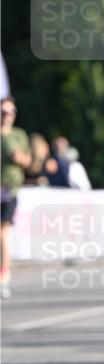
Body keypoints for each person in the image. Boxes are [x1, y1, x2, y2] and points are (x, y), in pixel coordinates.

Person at [1, 97, 31, 298]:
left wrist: (18, 156)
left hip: (9, 188)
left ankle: (4, 276)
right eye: (3, 112)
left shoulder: (18, 135)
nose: (6, 116)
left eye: (10, 112)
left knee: (3, 232)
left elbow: (27, 160)